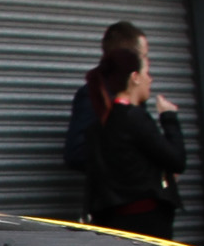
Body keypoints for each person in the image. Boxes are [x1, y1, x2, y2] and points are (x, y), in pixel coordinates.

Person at [82, 46, 182, 240]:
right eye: (147, 72)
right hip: (146, 226)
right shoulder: (135, 118)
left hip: (112, 226)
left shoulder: (101, 122)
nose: (150, 79)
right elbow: (177, 160)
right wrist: (169, 117)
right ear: (135, 77)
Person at [63, 20, 148, 190]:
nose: (147, 63)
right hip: (116, 199)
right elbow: (76, 154)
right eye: (144, 56)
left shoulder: (136, 94)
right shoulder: (94, 94)